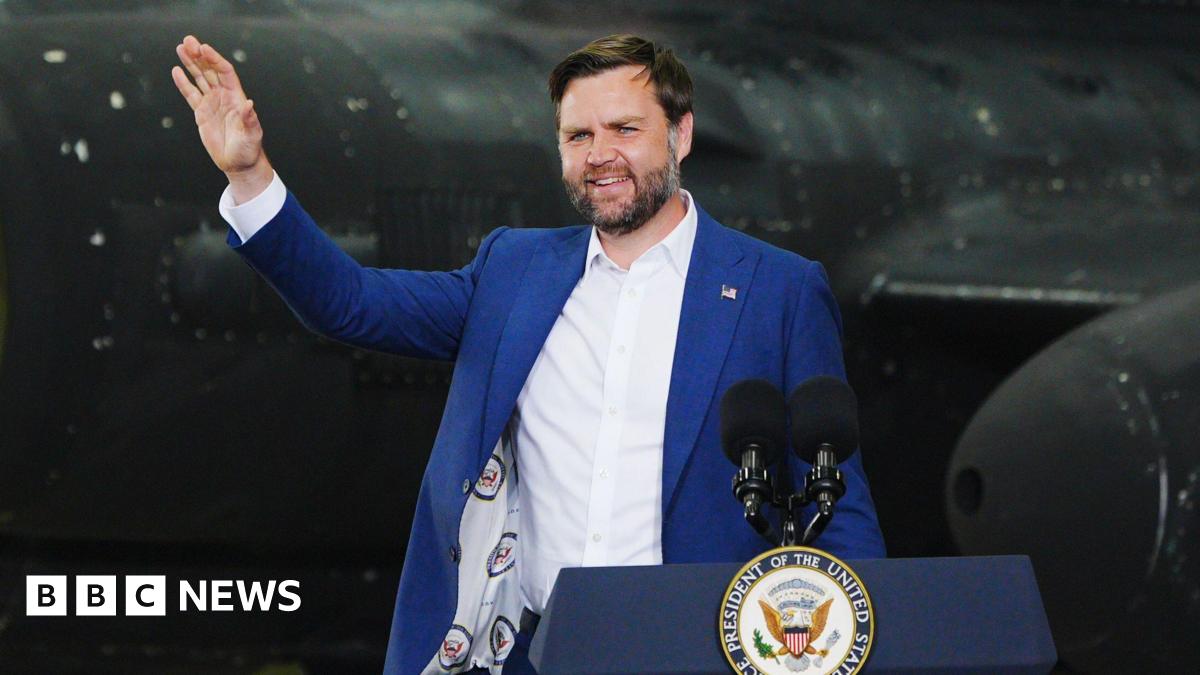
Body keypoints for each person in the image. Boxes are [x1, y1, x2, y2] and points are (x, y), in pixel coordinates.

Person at [172, 33, 885, 674]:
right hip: (533, 652)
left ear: (682, 135)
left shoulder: (780, 289)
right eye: (577, 135)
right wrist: (250, 174)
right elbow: (351, 301)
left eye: (625, 129)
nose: (598, 153)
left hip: (701, 651)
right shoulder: (513, 271)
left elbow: (836, 498)